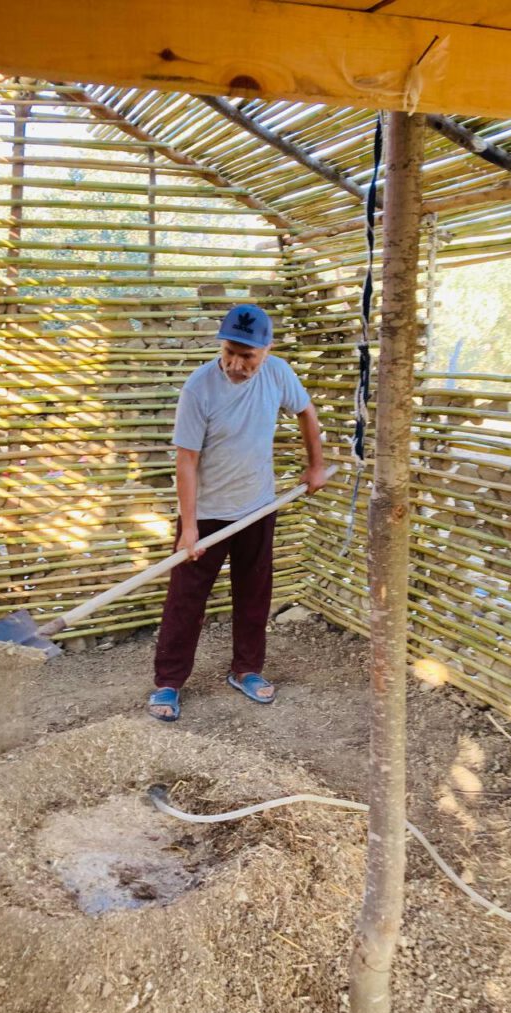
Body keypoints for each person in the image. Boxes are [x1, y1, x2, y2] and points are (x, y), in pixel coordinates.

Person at [149, 303, 326, 722]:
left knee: (254, 592)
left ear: (267, 350)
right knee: (185, 599)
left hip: (258, 506)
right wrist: (188, 526)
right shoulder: (200, 388)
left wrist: (316, 465)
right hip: (207, 512)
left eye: (247, 356)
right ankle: (169, 682)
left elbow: (306, 412)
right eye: (230, 351)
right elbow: (186, 460)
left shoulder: (278, 373)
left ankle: (246, 669)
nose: (236, 363)